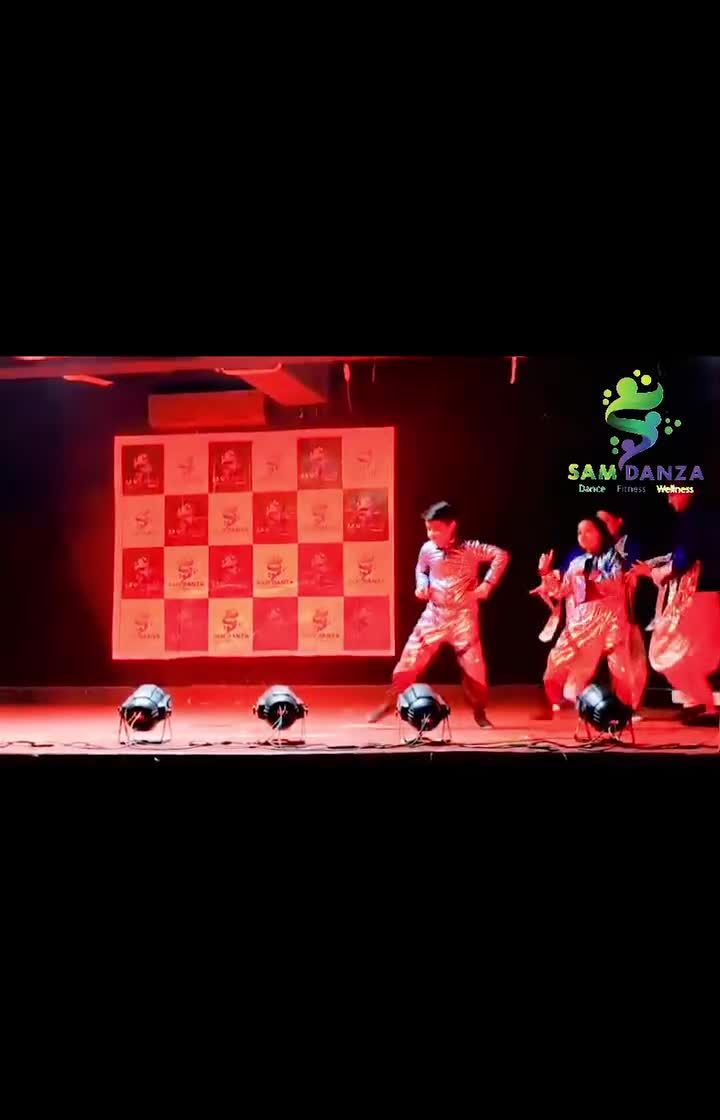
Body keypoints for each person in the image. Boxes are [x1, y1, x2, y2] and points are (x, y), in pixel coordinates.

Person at [368, 501, 510, 728]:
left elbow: (501, 555)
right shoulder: (427, 549)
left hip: (463, 618)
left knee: (475, 670)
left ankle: (479, 711)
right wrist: (421, 585)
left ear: (451, 526)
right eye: (428, 529)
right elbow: (421, 569)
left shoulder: (471, 549)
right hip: (434, 615)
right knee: (409, 661)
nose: (431, 534)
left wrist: (487, 585)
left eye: (436, 529)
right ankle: (390, 702)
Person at [532, 516, 647, 719]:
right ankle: (584, 704)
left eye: (588, 531)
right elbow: (561, 591)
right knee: (557, 664)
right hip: (583, 623)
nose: (583, 536)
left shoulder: (613, 558)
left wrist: (593, 576)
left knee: (620, 667)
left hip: (611, 618)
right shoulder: (576, 563)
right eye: (579, 532)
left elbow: (614, 585)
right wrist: (546, 572)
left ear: (601, 533)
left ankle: (624, 710)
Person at [633, 492, 720, 723]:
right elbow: (680, 557)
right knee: (686, 654)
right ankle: (699, 704)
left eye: (672, 494)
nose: (670, 500)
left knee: (668, 652)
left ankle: (705, 705)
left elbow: (683, 559)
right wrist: (653, 568)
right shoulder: (699, 518)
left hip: (697, 596)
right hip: (704, 594)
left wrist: (652, 572)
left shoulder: (695, 520)